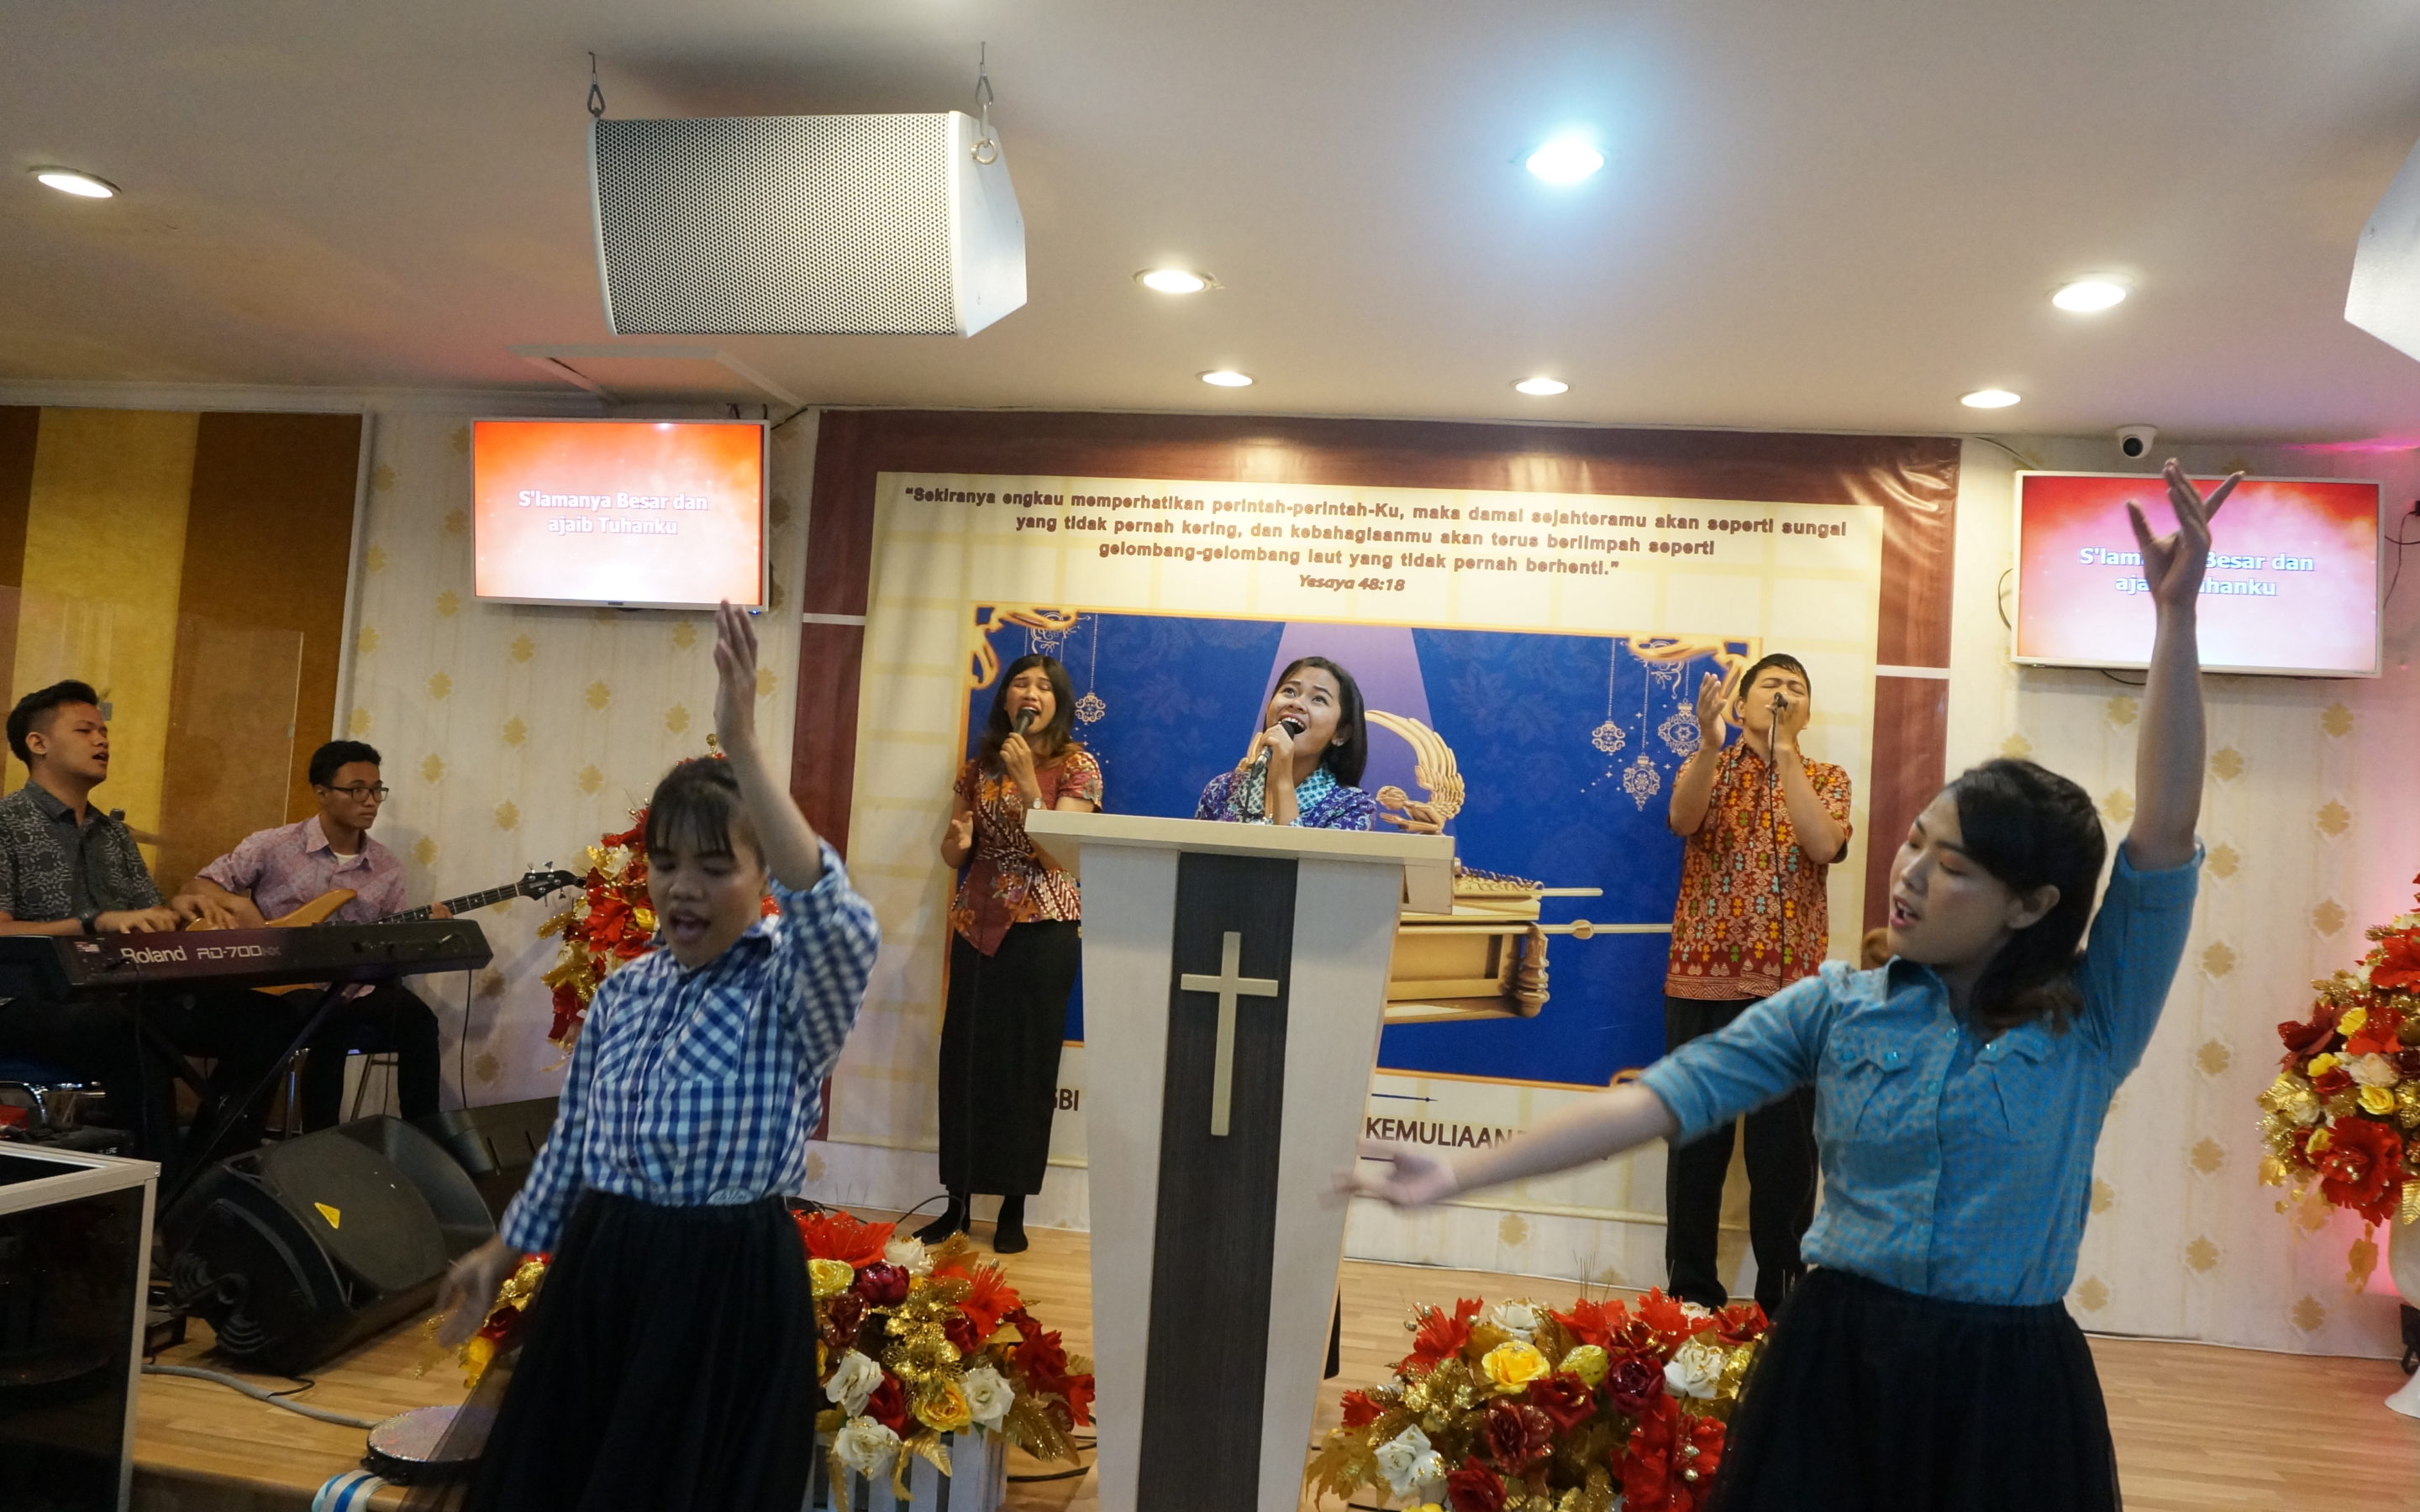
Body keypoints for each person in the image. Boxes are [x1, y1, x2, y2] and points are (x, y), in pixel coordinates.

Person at [1349, 461, 2232, 1512]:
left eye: (1952, 865)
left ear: (2031, 904)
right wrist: (1461, 1171)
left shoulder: (2091, 1020)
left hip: (2009, 1391)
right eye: (1916, 841)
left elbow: (2163, 834)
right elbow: (1658, 1101)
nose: (1910, 872)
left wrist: (2176, 619)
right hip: (1831, 1368)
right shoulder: (1837, 1006)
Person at [434, 602, 879, 1512]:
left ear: (762, 879)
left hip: (725, 1289)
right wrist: (499, 1250)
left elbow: (837, 915)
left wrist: (743, 746)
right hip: (605, 1269)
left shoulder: (790, 991)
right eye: (667, 862)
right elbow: (574, 1149)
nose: (684, 887)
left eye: (716, 867)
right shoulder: (627, 992)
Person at [0, 680, 297, 1180]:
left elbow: (148, 919)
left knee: (271, 1020)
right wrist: (94, 922)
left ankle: (205, 1174)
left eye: (104, 731)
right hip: (27, 1001)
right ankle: (157, 1189)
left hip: (118, 995)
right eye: (85, 730)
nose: (102, 740)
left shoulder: (113, 834)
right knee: (129, 1030)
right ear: (38, 743)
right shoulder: (6, 822)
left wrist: (184, 911)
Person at [1659, 652, 1852, 1316]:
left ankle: (1783, 1300)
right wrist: (1710, 744)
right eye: (1770, 684)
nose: (1783, 693)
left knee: (1786, 1157)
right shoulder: (1708, 763)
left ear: (1807, 712)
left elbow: (1823, 846)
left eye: (1796, 687)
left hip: (1790, 996)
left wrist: (1787, 755)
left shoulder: (1826, 778)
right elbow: (1683, 820)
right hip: (1700, 983)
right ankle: (1690, 1297)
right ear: (1740, 706)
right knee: (1696, 1148)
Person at [921, 654, 1102, 1253]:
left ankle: (1013, 1209)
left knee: (1026, 1067)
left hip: (1043, 928)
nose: (1030, 693)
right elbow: (955, 854)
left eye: (1044, 687)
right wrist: (957, 841)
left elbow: (1062, 855)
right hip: (977, 923)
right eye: (1020, 684)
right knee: (965, 1061)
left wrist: (1029, 786)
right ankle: (956, 1204)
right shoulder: (978, 769)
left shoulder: (1078, 767)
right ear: (1005, 699)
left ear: (1058, 704)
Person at [187, 740, 446, 1131]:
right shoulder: (272, 845)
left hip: (353, 985)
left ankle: (428, 1138)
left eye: (377, 790)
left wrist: (425, 936)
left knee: (418, 1019)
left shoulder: (387, 866)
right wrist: (240, 907)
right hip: (280, 982)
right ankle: (314, 1138)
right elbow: (200, 885)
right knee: (326, 1014)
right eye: (356, 790)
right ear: (322, 793)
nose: (370, 801)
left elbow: (391, 942)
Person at [1194, 655, 1376, 830]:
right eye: (1289, 691)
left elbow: (1296, 853)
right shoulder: (1222, 790)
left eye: (1318, 699)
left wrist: (1282, 778)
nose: (1296, 703)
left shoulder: (1353, 807)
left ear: (1341, 734)